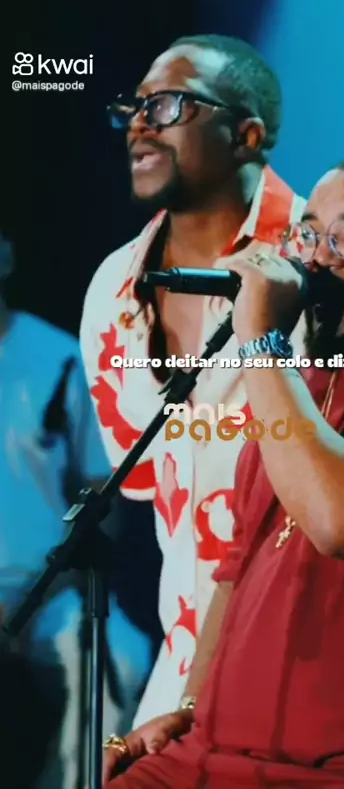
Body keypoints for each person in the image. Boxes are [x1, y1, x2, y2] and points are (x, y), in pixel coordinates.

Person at [103, 154, 344, 789]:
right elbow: (239, 565)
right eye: (308, 236)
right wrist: (191, 710)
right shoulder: (310, 379)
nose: (319, 260)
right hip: (220, 753)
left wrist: (261, 345)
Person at [80, 35, 306, 727]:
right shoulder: (113, 289)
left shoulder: (324, 262)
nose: (140, 124)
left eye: (168, 104)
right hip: (185, 665)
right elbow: (147, 480)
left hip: (316, 651)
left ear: (247, 136)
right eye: (134, 108)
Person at [0, 223, 150, 788]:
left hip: (43, 589)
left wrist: (46, 585)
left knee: (120, 660)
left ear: (6, 256)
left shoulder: (59, 358)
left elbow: (101, 493)